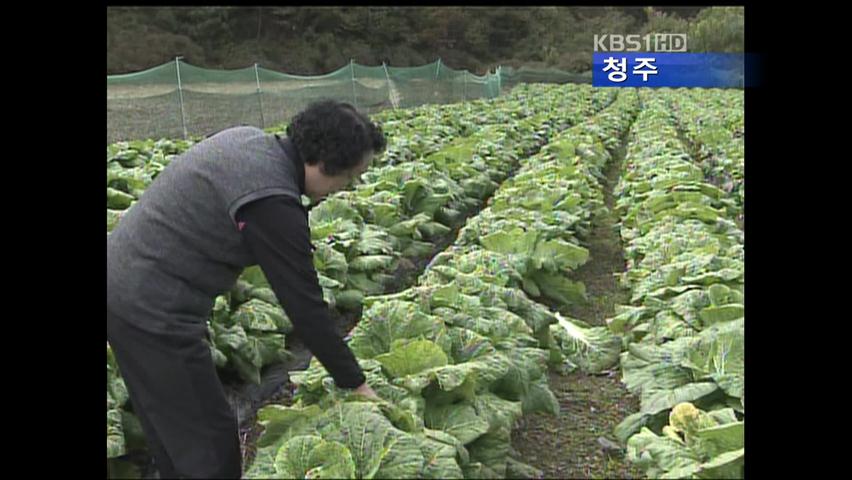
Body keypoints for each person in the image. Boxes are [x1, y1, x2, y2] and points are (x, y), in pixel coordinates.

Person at [107, 100, 386, 479]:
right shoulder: (271, 200)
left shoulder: (251, 141)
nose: (344, 188)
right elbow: (304, 307)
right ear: (325, 162)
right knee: (209, 440)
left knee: (170, 425)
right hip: (152, 306)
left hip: (122, 284)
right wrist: (356, 383)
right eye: (349, 177)